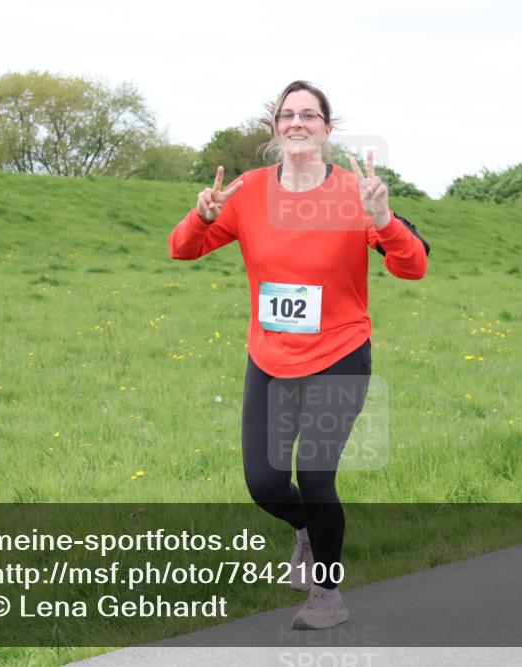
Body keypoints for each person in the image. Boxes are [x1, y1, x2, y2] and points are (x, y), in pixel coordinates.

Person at [168, 80, 428, 630]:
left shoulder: (353, 193)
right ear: (274, 128)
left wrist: (383, 220)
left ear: (327, 129)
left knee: (314, 475)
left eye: (309, 115)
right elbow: (182, 249)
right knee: (263, 484)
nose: (297, 123)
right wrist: (203, 214)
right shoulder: (250, 191)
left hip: (340, 352)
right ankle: (307, 531)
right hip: (270, 358)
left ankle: (328, 596)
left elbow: (412, 266)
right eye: (287, 114)